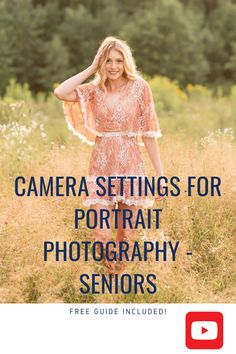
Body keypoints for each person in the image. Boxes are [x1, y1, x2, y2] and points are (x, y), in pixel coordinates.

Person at [54, 36, 165, 273]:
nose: (113, 66)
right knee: (102, 235)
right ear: (102, 63)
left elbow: (148, 134)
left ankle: (116, 285)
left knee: (126, 236)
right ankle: (109, 272)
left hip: (131, 166)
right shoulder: (94, 91)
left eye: (118, 60)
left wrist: (160, 175)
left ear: (126, 62)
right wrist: (92, 68)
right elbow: (61, 91)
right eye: (108, 61)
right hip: (101, 167)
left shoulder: (140, 88)